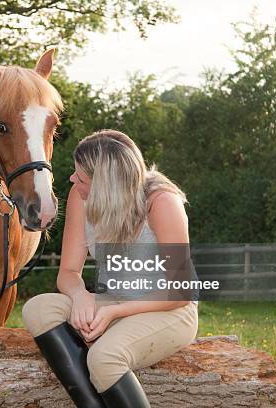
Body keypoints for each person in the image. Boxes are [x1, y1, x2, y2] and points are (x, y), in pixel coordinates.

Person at [22, 130, 198, 407]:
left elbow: (182, 291)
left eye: (81, 177)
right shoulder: (80, 197)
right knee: (39, 308)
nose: (72, 179)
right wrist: (81, 296)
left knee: (104, 357)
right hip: (111, 300)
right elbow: (68, 273)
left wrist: (114, 311)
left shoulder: (162, 202)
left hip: (168, 309)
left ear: (106, 185)